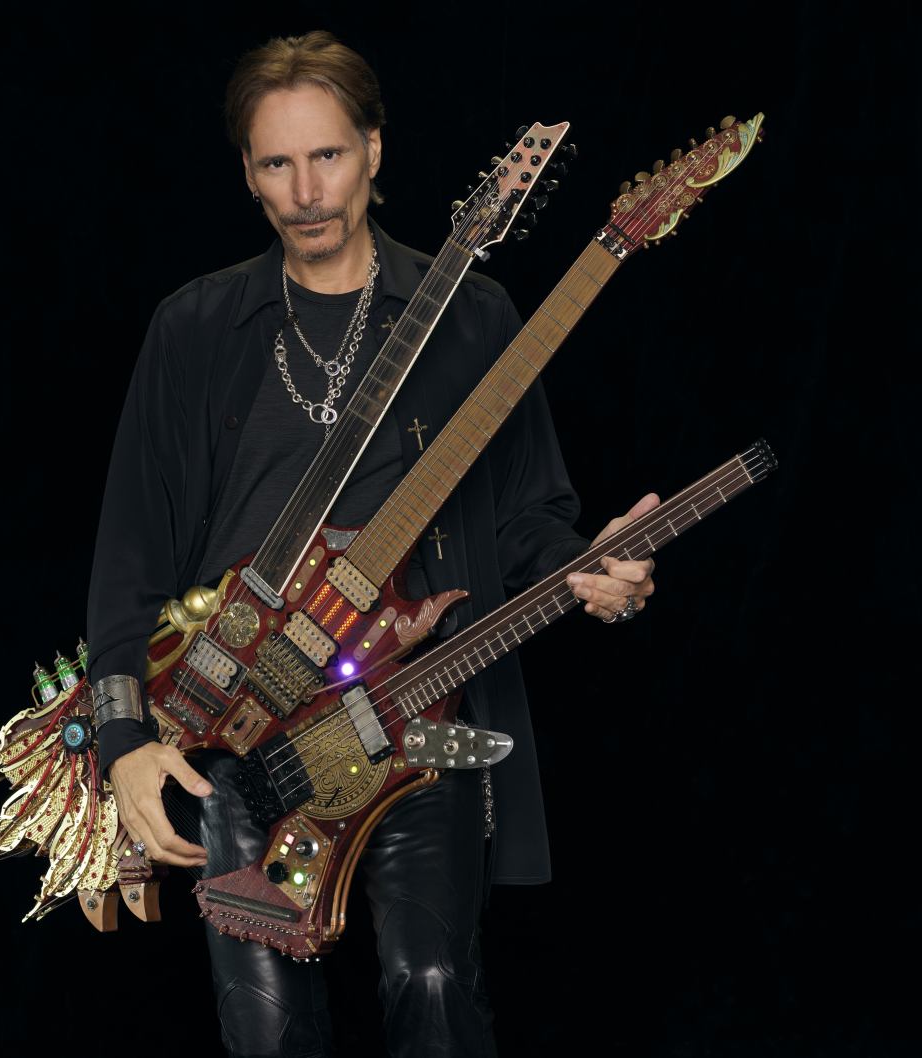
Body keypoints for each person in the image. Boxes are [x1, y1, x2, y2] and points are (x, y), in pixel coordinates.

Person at [87, 31, 656, 1058]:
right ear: (249, 175)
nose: (307, 191)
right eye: (277, 162)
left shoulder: (477, 317)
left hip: (410, 711)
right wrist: (124, 741)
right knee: (267, 1030)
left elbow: (526, 513)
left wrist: (590, 559)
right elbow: (129, 555)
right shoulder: (196, 327)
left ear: (376, 152)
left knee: (431, 978)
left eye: (329, 155)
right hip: (240, 732)